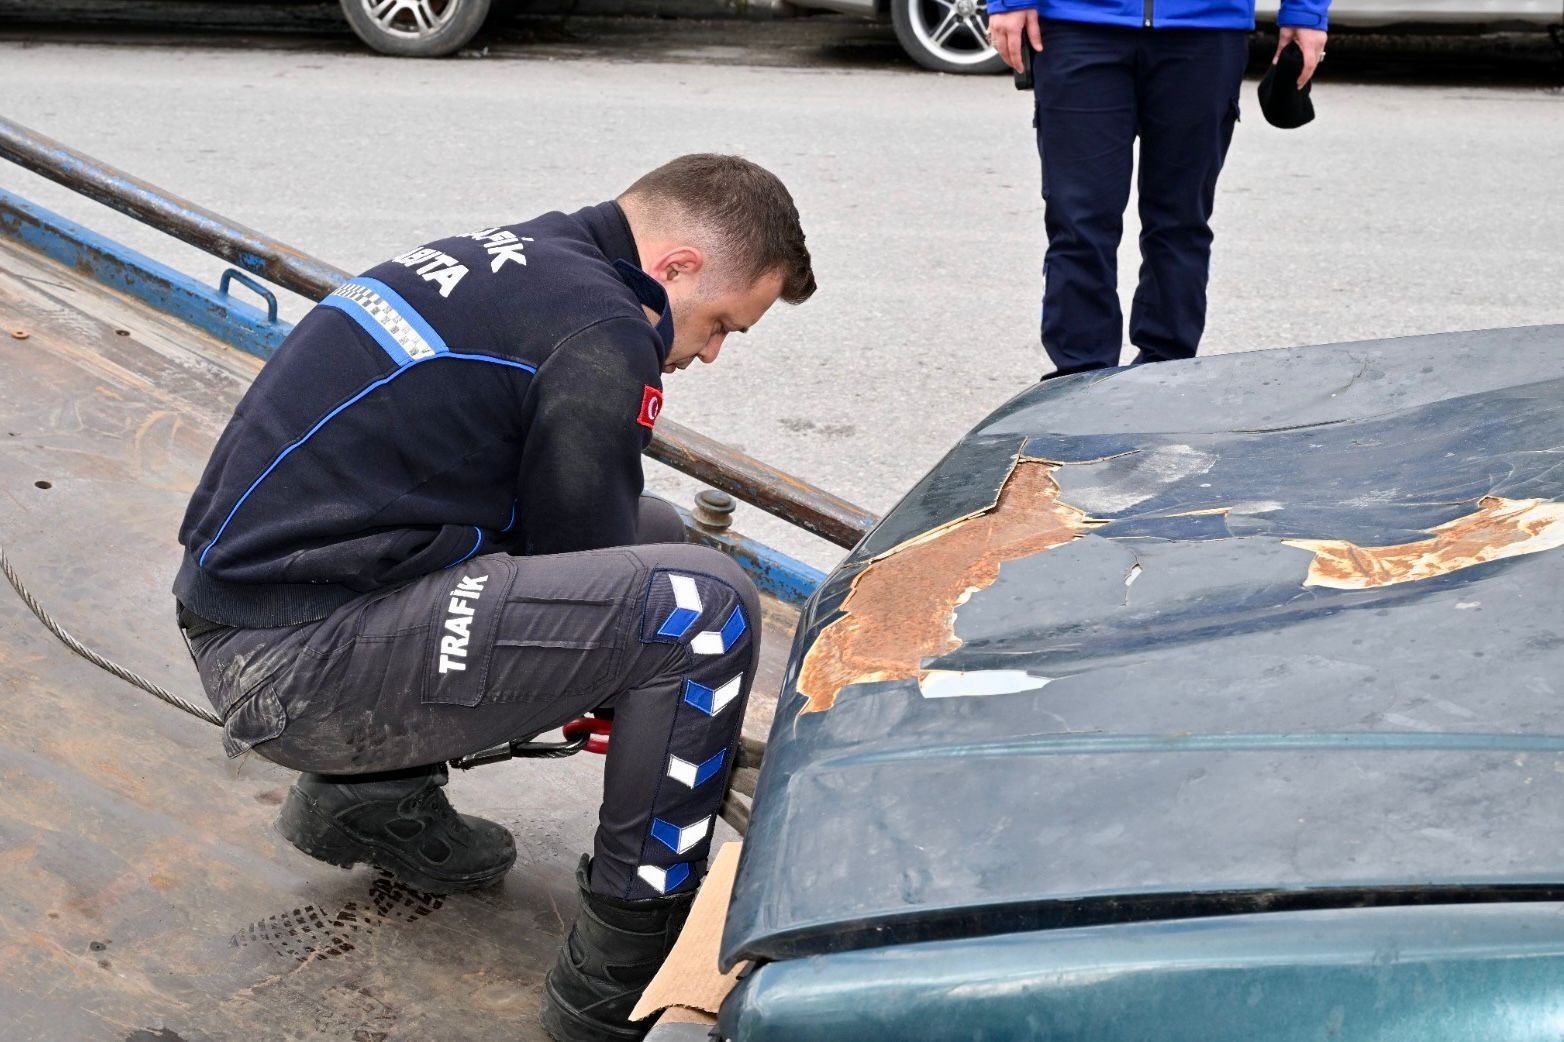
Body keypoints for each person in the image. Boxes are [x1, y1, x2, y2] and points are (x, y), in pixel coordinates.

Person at [171, 154, 815, 1042]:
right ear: (676, 269)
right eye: (719, 326)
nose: (707, 352)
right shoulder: (601, 327)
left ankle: (369, 798)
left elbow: (583, 533)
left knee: (661, 532)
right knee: (703, 613)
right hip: (290, 670)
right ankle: (616, 979)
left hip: (263, 612)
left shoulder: (539, 256)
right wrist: (647, 696)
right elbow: (589, 565)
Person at [987, 0, 1329, 378]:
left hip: (1205, 30)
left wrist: (1305, 11)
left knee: (1180, 221)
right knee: (1079, 221)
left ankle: (1165, 377)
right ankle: (1077, 382)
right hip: (1078, 25)